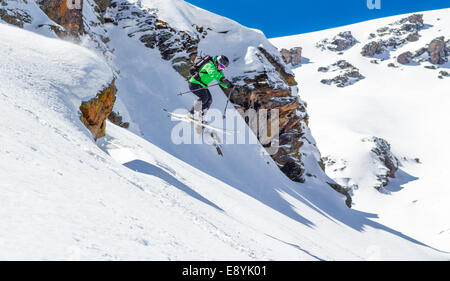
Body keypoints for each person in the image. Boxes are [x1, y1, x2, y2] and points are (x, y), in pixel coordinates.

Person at [188, 55, 233, 119]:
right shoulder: (210, 65)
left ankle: (201, 117)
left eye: (224, 68)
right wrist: (222, 79)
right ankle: (191, 113)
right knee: (204, 98)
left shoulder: (219, 72)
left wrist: (228, 85)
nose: (222, 68)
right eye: (222, 66)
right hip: (194, 83)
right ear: (218, 62)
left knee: (209, 100)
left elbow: (221, 81)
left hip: (203, 85)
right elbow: (213, 74)